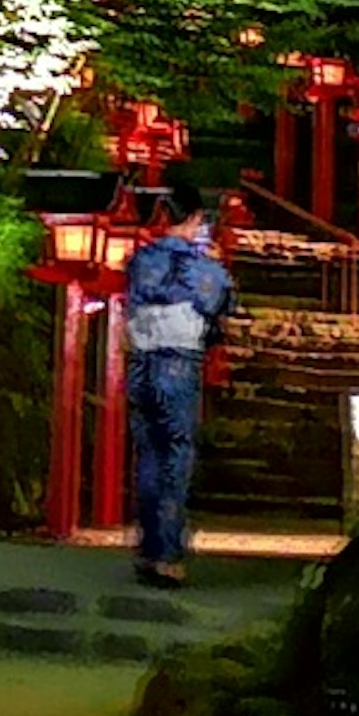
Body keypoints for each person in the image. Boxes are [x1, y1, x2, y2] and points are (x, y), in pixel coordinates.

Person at [119, 183, 235, 587]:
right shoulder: (205, 269)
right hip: (179, 361)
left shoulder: (139, 262)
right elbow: (221, 307)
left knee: (149, 454)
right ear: (196, 219)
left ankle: (149, 549)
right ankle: (167, 553)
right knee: (176, 454)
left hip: (141, 359)